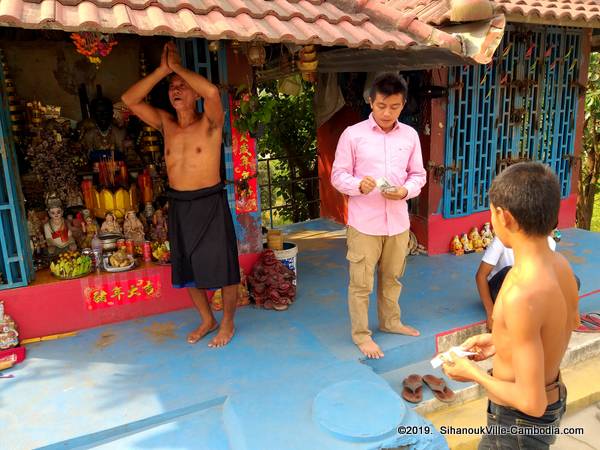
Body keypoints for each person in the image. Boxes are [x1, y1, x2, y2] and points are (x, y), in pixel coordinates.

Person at [442, 162, 579, 449]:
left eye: (491, 213)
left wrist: (472, 374)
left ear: (505, 218)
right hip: (552, 397)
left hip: (518, 423)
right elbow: (565, 325)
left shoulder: (521, 292)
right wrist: (501, 341)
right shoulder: (560, 265)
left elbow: (532, 402)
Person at [122, 42, 239, 348]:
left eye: (183, 86)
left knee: (224, 266)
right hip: (179, 203)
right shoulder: (166, 123)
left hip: (210, 201)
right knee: (186, 266)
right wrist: (163, 69)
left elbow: (213, 93)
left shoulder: (211, 122)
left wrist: (177, 68)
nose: (176, 90)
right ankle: (207, 319)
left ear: (195, 94)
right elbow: (129, 99)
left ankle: (226, 321)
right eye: (172, 87)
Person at [331, 73, 427, 359]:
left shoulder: (410, 136)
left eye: (395, 106)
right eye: (382, 105)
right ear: (370, 101)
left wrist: (405, 191)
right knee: (361, 283)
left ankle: (390, 322)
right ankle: (361, 335)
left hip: (397, 222)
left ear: (403, 104)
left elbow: (418, 175)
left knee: (392, 277)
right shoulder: (353, 134)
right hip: (364, 224)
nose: (387, 113)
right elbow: (338, 175)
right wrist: (357, 185)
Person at [476, 235, 556, 330]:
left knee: (571, 280)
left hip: (525, 292)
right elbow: (480, 276)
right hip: (499, 292)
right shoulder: (502, 239)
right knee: (511, 272)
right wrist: (491, 313)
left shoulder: (548, 242)